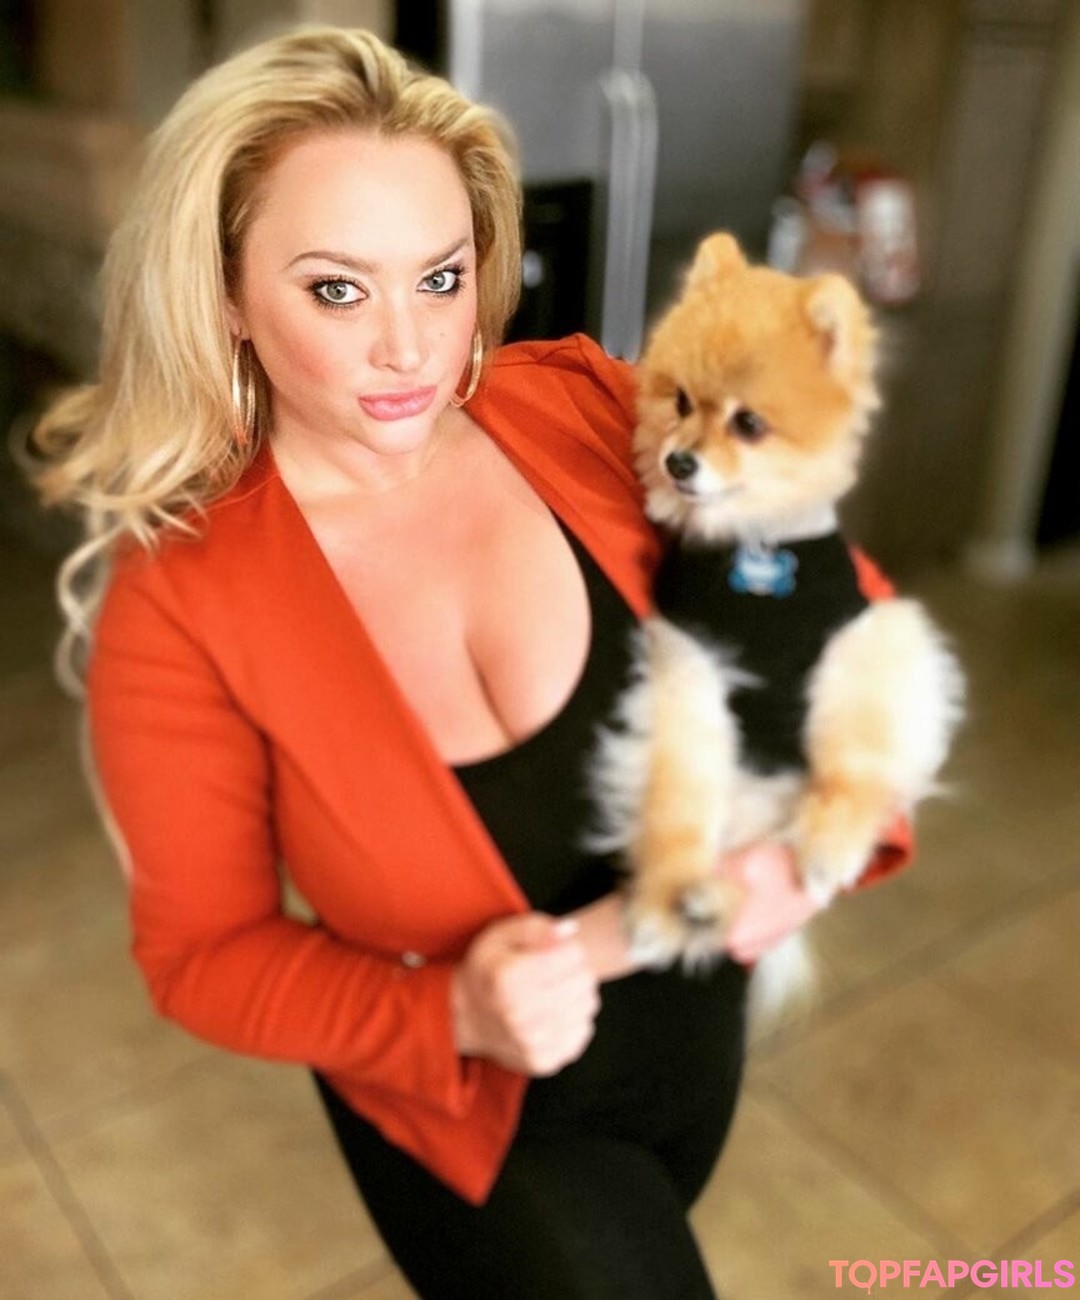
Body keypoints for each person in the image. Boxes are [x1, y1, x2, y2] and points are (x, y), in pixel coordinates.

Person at [30, 25, 909, 1300]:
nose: (409, 348)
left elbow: (838, 614)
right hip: (478, 1119)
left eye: (440, 278)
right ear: (224, 295)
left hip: (690, 1050)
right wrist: (450, 1014)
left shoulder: (584, 404)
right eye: (338, 290)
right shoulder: (182, 597)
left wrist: (821, 836)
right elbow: (203, 955)